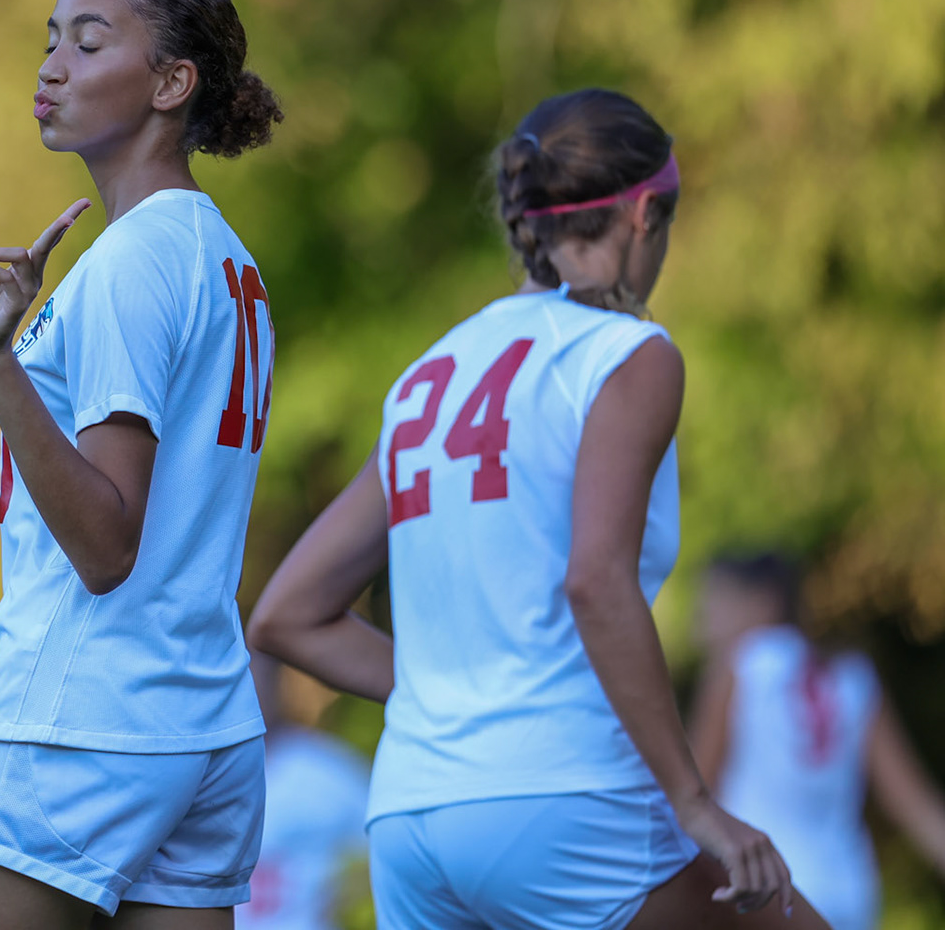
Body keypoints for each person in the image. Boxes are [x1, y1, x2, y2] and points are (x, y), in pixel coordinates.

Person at [247, 88, 830, 930]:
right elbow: (595, 581)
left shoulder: (427, 376)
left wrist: (458, 693)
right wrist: (697, 803)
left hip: (412, 817)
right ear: (641, 214)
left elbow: (284, 616)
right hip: (564, 798)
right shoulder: (627, 352)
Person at [0, 0, 285, 929]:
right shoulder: (223, 255)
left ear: (173, 83)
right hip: (201, 729)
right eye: (50, 41)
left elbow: (106, 541)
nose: (51, 66)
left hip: (87, 724)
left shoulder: (132, 259)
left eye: (88, 42)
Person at [691, 552, 945, 930]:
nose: (702, 621)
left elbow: (694, 793)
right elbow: (911, 801)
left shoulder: (740, 665)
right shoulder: (852, 674)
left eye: (715, 600)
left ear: (764, 602)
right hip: (847, 894)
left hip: (764, 894)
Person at [236, 651, 370, 930]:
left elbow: (377, 856)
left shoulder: (330, 770)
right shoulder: (195, 777)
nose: (249, 690)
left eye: (257, 676)